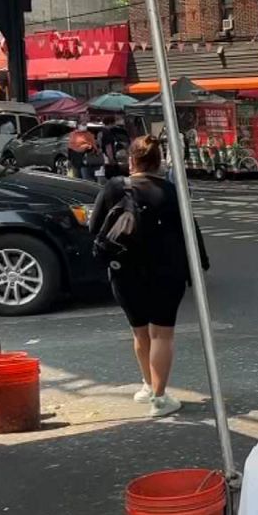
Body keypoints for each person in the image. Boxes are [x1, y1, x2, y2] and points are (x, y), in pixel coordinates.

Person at [89, 136, 209, 418]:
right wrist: (200, 265)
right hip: (167, 272)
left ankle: (147, 386)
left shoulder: (114, 188)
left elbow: (95, 226)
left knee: (140, 332)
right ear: (158, 162)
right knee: (161, 334)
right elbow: (190, 232)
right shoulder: (171, 192)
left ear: (131, 161)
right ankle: (159, 397)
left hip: (124, 271)